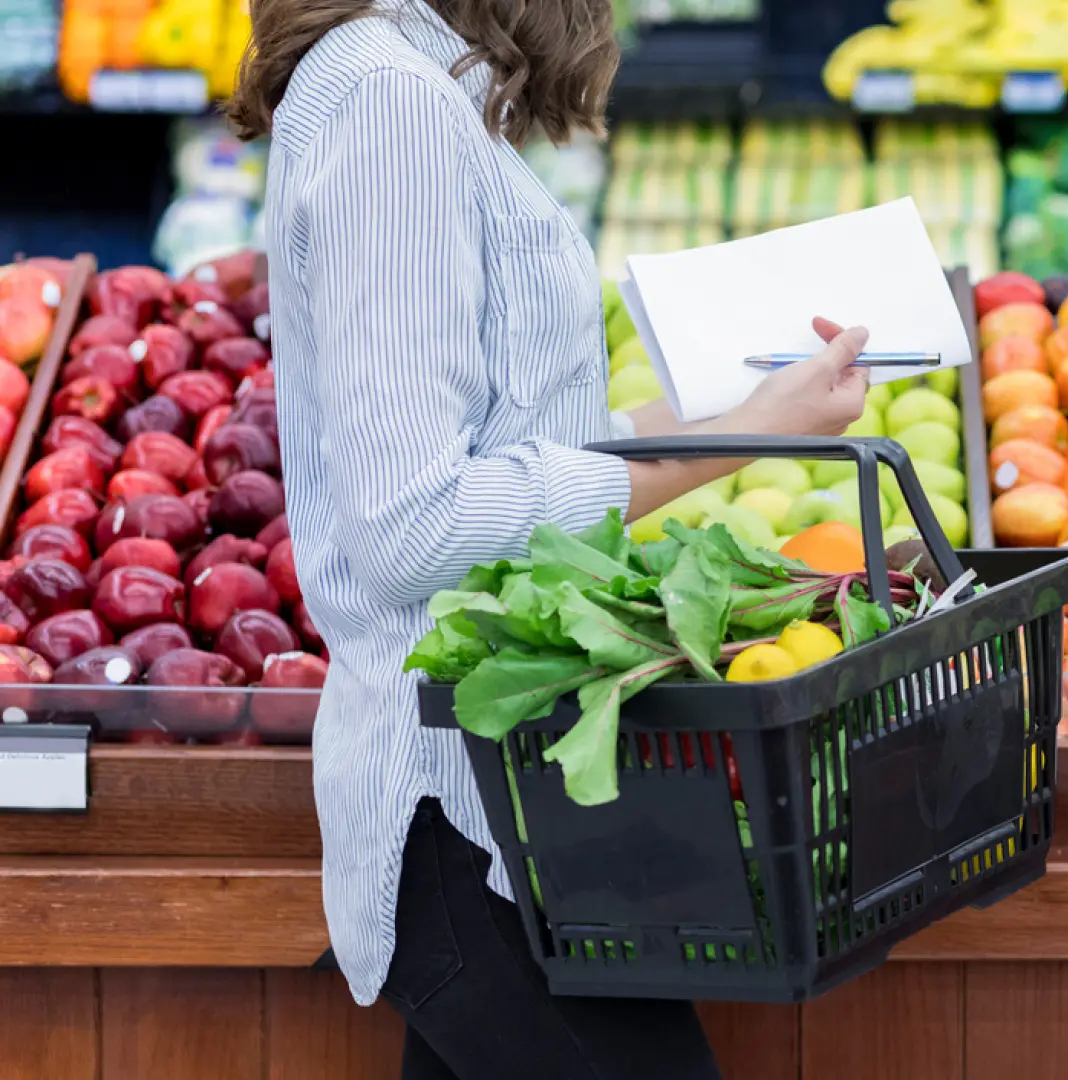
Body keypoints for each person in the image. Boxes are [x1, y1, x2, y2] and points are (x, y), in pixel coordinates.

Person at [228, 2, 870, 1076]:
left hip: (520, 805)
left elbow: (521, 449)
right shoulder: (390, 103)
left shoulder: (416, 90)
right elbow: (411, 524)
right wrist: (730, 452)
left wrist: (758, 412)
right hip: (459, 811)